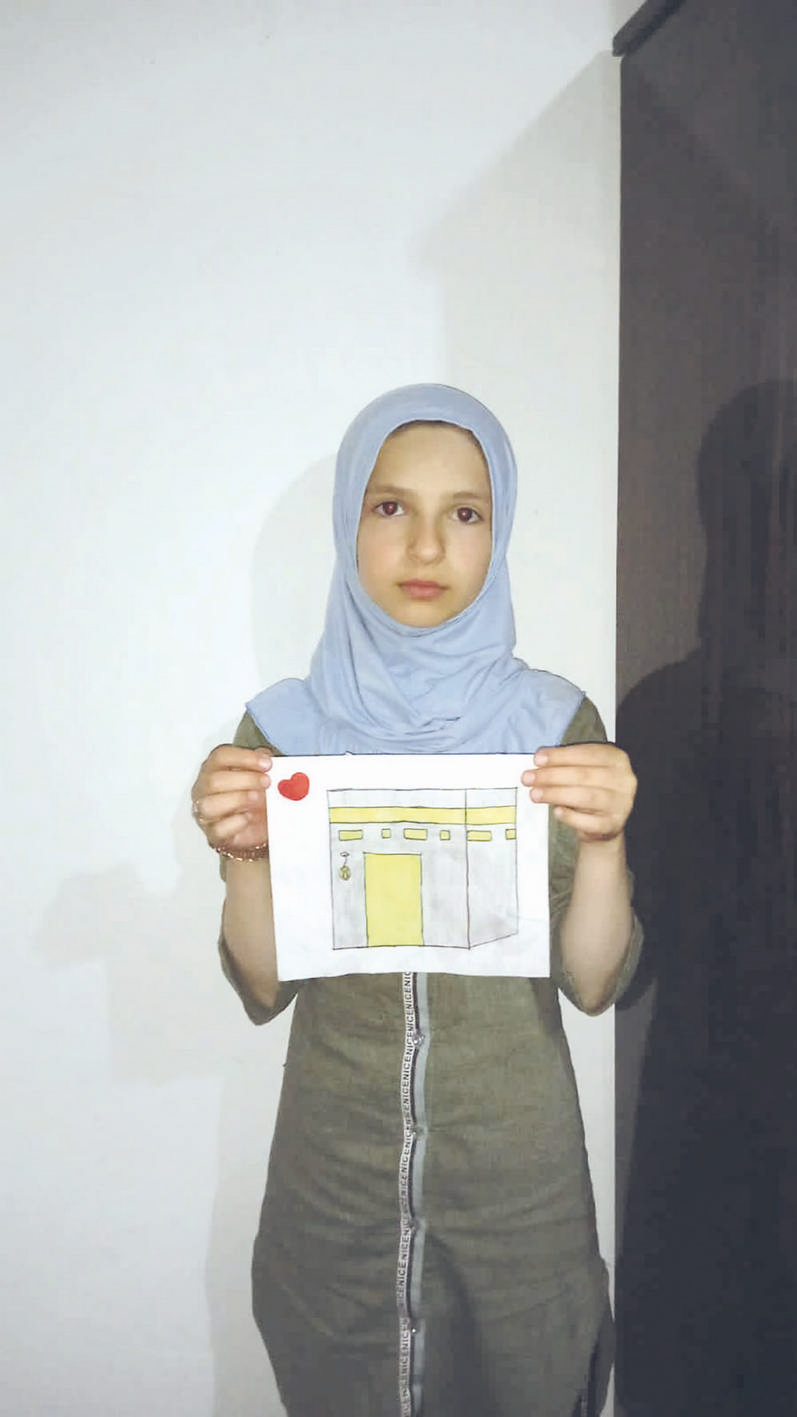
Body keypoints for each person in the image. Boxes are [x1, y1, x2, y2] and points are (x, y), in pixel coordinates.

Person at [191, 384, 641, 1417]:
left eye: (464, 512)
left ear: (499, 530)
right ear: (348, 522)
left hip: (516, 1190)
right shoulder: (283, 732)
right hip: (334, 1188)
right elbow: (263, 983)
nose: (426, 545)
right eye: (390, 506)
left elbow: (591, 981)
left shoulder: (553, 724)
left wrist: (606, 841)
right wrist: (242, 850)